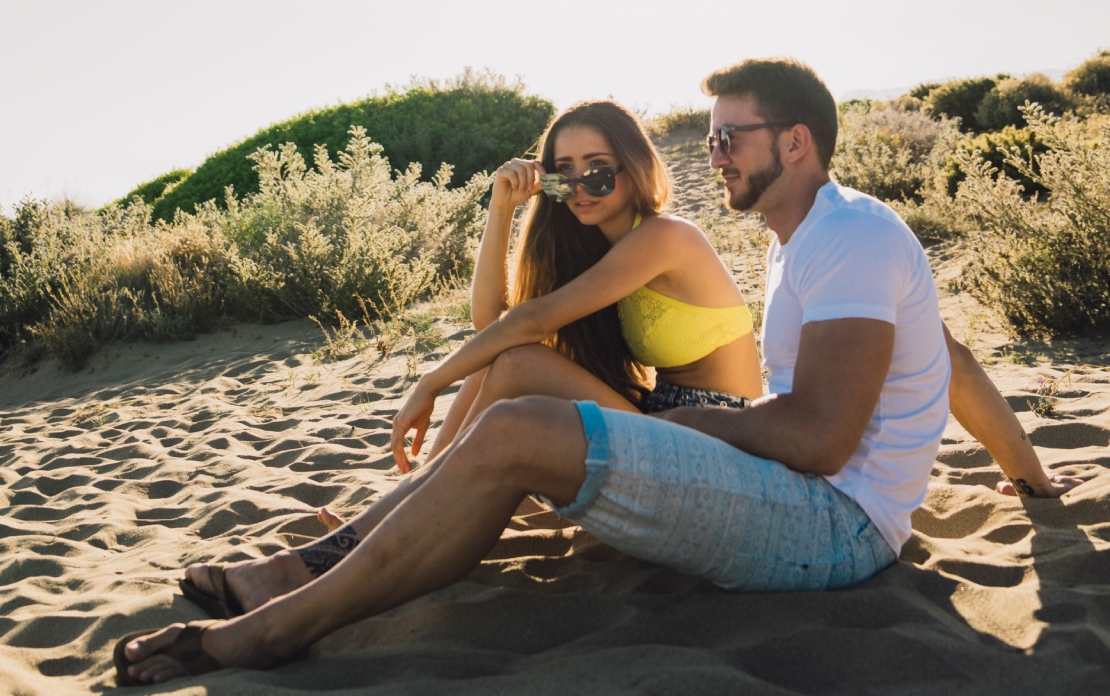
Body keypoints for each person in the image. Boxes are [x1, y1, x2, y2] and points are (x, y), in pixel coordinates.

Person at [113, 59, 1074, 684]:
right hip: (800, 497)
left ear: (796, 143)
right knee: (512, 418)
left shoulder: (850, 235)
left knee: (515, 426)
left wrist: (684, 426)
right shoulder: (810, 242)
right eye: (708, 136)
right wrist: (1030, 479)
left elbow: (819, 438)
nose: (715, 152)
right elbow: (945, 357)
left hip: (835, 529)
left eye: (731, 136)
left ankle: (269, 630)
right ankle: (304, 584)